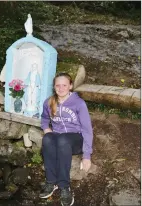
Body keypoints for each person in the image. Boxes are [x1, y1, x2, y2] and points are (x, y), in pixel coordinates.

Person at [40, 73, 93, 206]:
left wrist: (86, 156)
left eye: (64, 85)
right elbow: (45, 118)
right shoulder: (49, 102)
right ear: (54, 87)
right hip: (58, 137)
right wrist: (47, 129)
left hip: (75, 139)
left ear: (70, 86)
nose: (61, 88)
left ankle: (64, 186)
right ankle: (51, 182)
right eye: (58, 85)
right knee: (47, 138)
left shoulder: (79, 103)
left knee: (63, 139)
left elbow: (87, 129)